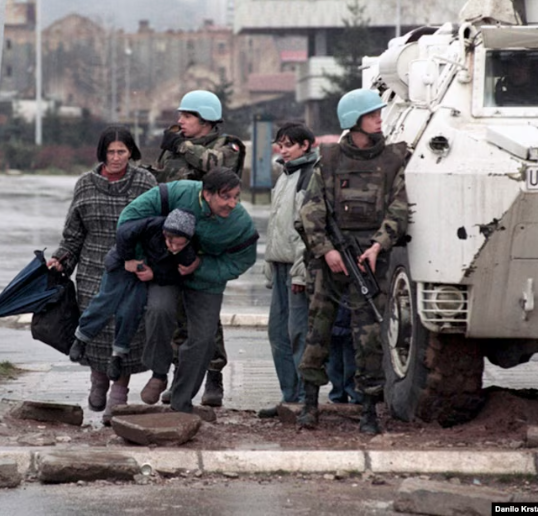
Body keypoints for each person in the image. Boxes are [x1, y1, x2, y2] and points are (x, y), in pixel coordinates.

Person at [296, 88, 409, 434]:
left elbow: (399, 208)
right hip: (329, 258)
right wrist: (327, 250)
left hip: (369, 260)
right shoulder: (328, 160)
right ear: (353, 121)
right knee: (317, 330)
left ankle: (369, 410)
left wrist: (378, 246)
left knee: (370, 335)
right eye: (372, 114)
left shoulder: (392, 160)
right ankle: (309, 404)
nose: (379, 118)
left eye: (378, 113)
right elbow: (309, 213)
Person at [118, 167, 258, 414]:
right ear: (206, 194)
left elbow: (243, 260)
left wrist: (200, 266)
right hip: (163, 270)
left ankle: (181, 402)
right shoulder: (176, 193)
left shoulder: (240, 223)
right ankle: (159, 373)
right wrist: (138, 258)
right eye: (225, 197)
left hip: (205, 280)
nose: (232, 203)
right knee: (159, 310)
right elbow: (128, 219)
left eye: (236, 196)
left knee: (203, 338)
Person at [48, 126, 157, 424]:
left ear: (131, 152)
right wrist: (60, 260)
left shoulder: (145, 182)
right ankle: (98, 381)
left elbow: (154, 229)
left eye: (122, 151)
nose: (116, 157)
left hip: (132, 269)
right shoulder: (85, 184)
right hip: (93, 270)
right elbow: (73, 233)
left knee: (128, 330)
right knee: (95, 330)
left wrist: (148, 264)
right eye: (111, 152)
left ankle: (118, 397)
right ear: (102, 153)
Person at [150, 89, 246, 408]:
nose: (179, 121)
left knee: (206, 313)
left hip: (208, 240)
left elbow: (216, 168)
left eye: (187, 116)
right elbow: (161, 183)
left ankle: (213, 376)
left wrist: (181, 145)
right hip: (174, 239)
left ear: (205, 121)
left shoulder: (227, 146)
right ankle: (181, 376)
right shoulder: (174, 149)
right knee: (178, 312)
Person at [68, 209, 198, 383]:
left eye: (179, 245)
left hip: (144, 275)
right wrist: (128, 259)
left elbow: (178, 275)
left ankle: (117, 355)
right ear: (164, 232)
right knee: (105, 302)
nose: (173, 248)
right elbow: (124, 233)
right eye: (170, 241)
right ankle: (82, 337)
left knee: (130, 311)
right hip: (122, 264)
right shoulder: (152, 225)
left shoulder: (187, 252)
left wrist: (155, 275)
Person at [258, 122, 319, 419]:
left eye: (289, 144)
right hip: (280, 267)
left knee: (299, 334)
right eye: (280, 144)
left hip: (297, 270)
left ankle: (308, 400)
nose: (283, 149)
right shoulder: (284, 175)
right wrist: (271, 266)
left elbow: (305, 230)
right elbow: (276, 225)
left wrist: (299, 272)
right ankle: (289, 396)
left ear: (306, 145)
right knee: (277, 333)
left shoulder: (309, 175)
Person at [326, 298, 362, 405]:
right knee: (335, 365)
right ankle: (341, 395)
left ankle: (350, 395)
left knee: (349, 365)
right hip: (336, 325)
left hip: (346, 325)